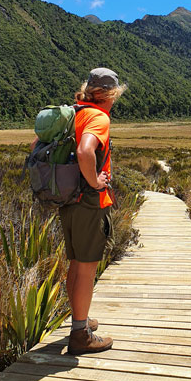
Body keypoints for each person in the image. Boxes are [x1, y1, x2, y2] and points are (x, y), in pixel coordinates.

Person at [59, 67, 127, 355]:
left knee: (76, 263)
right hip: (89, 202)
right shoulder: (98, 117)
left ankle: (80, 320)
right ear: (109, 95)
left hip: (69, 199)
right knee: (87, 268)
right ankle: (80, 335)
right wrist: (95, 181)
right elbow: (87, 151)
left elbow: (35, 144)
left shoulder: (73, 113)